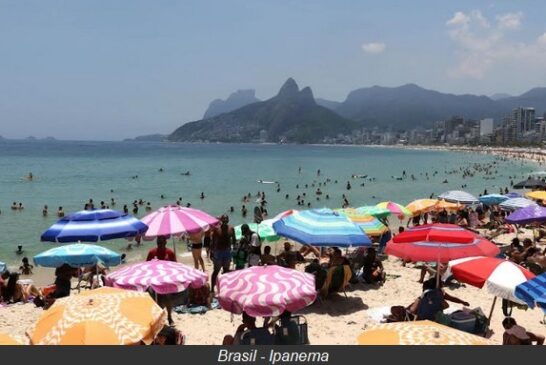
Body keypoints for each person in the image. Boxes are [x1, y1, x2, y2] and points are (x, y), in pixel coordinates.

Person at [146, 236, 177, 326]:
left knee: (167, 298)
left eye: (161, 243)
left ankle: (170, 317)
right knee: (153, 298)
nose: (160, 245)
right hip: (154, 279)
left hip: (166, 279)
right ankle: (157, 318)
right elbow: (146, 266)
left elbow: (175, 266)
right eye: (158, 243)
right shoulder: (152, 252)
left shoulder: (169, 252)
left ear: (165, 243)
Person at [211, 215, 236, 292]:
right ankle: (212, 288)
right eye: (223, 219)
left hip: (227, 251)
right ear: (221, 220)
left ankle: (224, 288)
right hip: (218, 252)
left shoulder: (231, 228)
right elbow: (213, 242)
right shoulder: (216, 229)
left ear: (228, 220)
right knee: (216, 270)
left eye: (226, 219)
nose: (225, 220)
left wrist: (234, 250)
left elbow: (234, 240)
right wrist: (211, 253)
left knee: (226, 270)